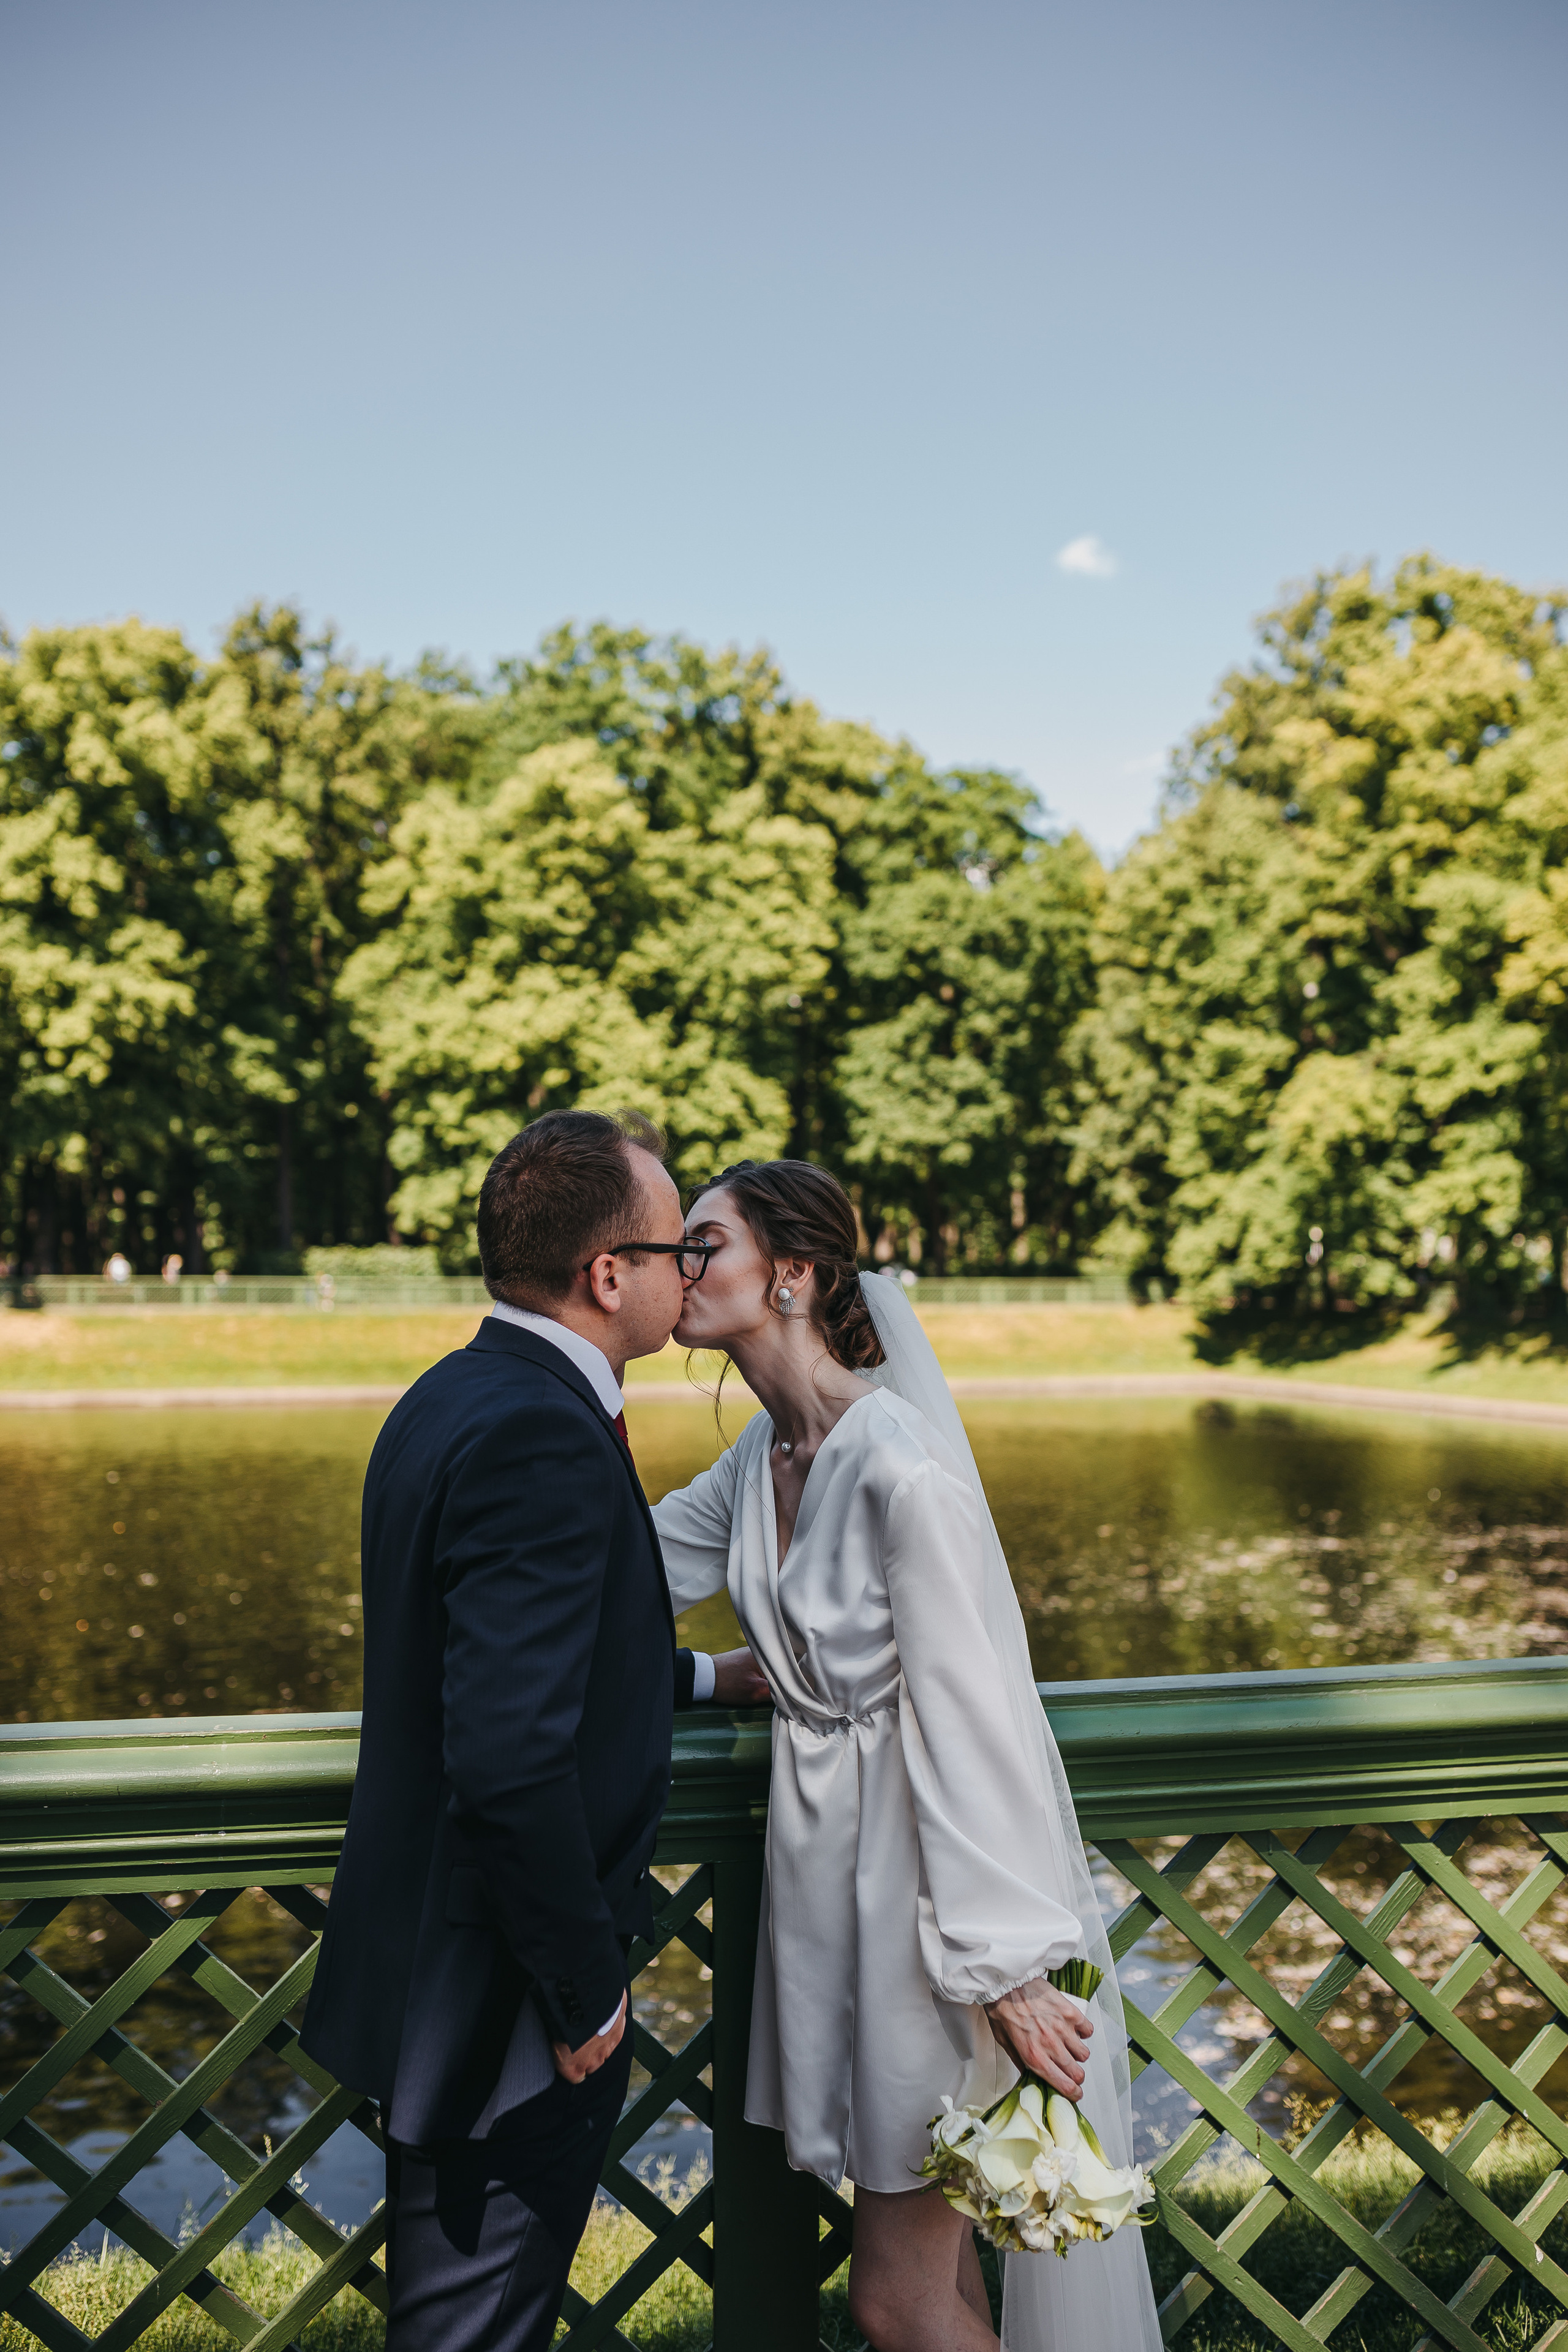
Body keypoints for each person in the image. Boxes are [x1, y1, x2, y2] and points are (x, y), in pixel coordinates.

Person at [651, 1161, 1162, 2352]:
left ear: (793, 1275)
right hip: (824, 1898)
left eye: (702, 1245)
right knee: (939, 2284)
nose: (679, 1269)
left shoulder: (900, 1470)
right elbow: (616, 1579)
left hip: (931, 1924)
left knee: (894, 2305)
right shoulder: (757, 1462)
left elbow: (970, 1717)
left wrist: (1006, 1971)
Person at [300, 1110, 767, 2352]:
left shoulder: (452, 1395)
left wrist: (704, 1682)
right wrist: (586, 1997)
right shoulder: (540, 1435)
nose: (687, 1271)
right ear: (606, 1273)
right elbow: (506, 1752)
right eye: (675, 1249)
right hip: (504, 2007)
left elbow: (507, 1667)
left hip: (435, 1968)